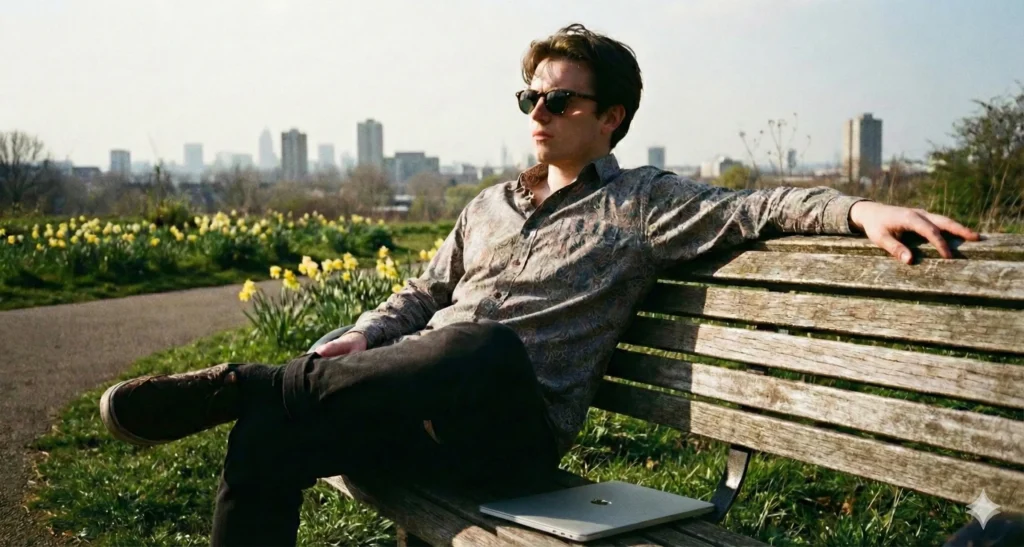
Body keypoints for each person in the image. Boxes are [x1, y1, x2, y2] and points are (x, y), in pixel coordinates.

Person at [99, 23, 980, 547]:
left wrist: (858, 210)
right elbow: (418, 291)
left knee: (478, 343)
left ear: (610, 118)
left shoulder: (641, 206)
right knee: (264, 443)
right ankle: (256, 400)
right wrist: (365, 333)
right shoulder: (486, 205)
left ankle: (243, 384)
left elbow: (757, 208)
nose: (539, 114)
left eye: (559, 102)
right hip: (410, 402)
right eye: (530, 99)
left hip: (506, 435)